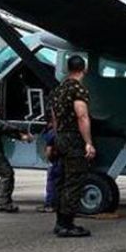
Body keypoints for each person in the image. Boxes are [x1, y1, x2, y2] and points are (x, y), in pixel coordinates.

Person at [50, 55, 96, 237]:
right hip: (73, 139)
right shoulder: (78, 89)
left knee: (61, 181)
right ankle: (66, 225)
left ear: (68, 69)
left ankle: (59, 221)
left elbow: (54, 118)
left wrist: (56, 138)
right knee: (74, 181)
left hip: (60, 137)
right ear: (83, 69)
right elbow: (82, 116)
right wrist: (88, 143)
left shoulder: (58, 90)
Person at [36, 115, 60, 213]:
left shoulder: (51, 133)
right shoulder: (62, 133)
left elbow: (49, 150)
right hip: (63, 160)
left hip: (55, 161)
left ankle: (49, 204)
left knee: (51, 182)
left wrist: (48, 158)